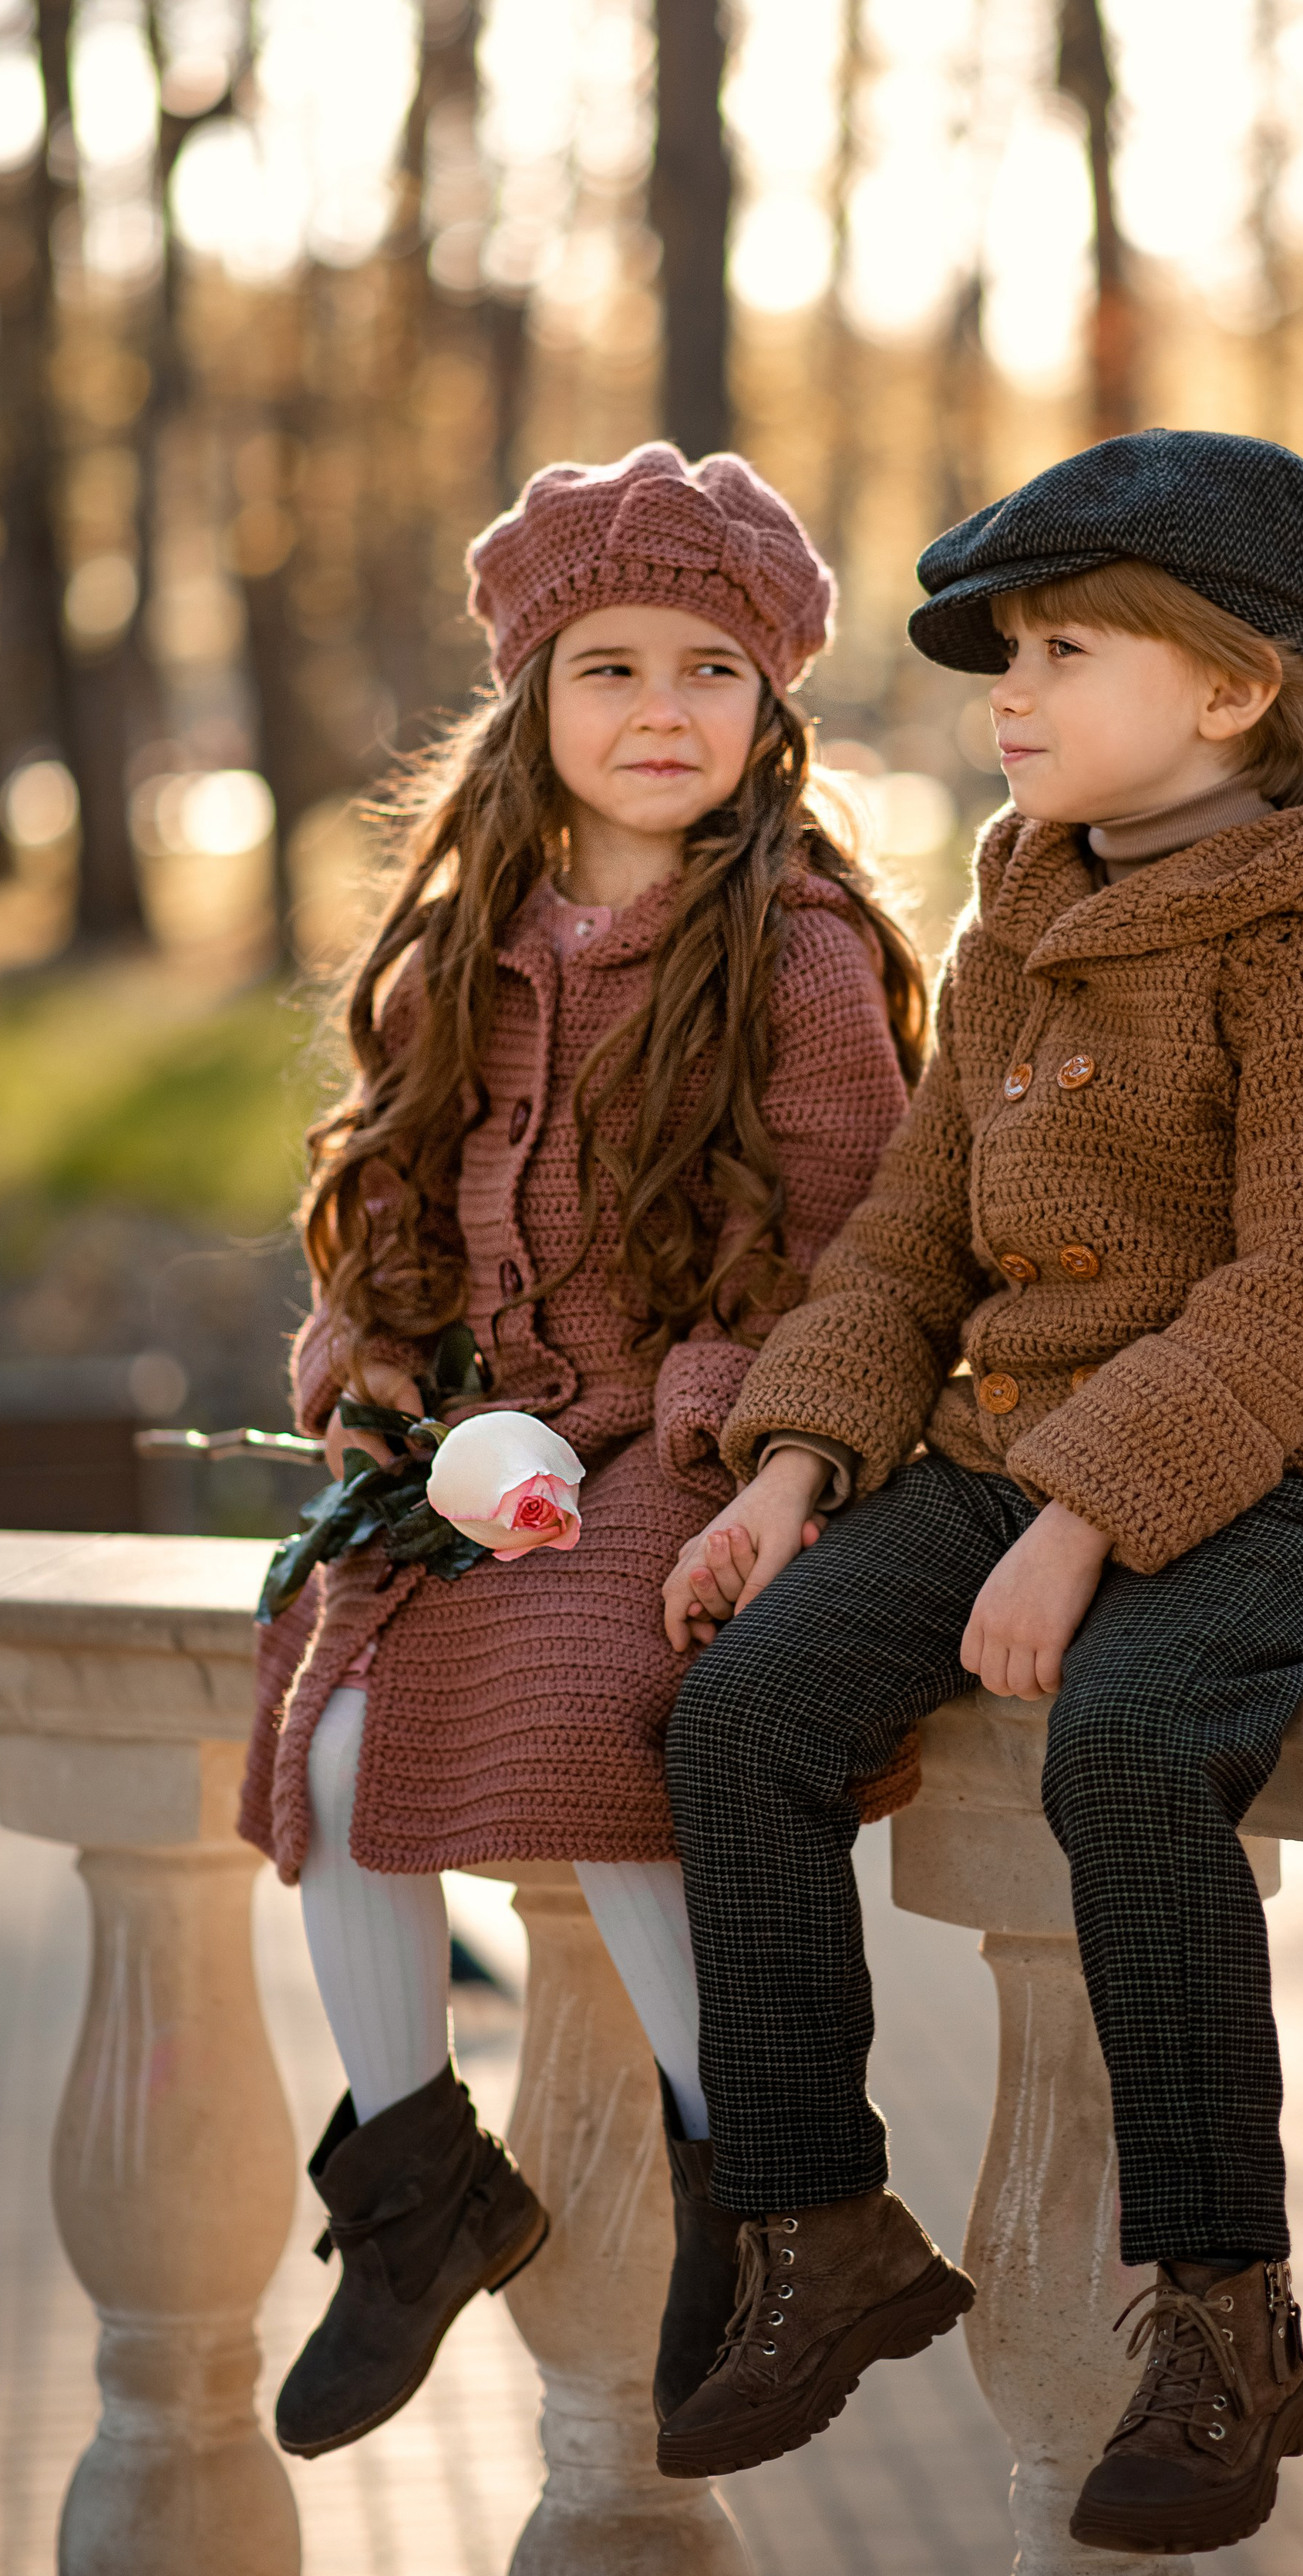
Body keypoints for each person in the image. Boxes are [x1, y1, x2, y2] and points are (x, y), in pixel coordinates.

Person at [655, 427, 1303, 2556]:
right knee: (741, 1709)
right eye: (1005, 650)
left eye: (1067, 645)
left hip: (1270, 1472)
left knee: (1123, 1736)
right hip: (1011, 1466)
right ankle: (819, 2218)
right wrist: (802, 1463)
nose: (1009, 690)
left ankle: (1226, 2310)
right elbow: (917, 1232)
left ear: (1232, 685)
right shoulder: (1026, 910)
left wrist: (1091, 1516)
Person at [236, 441, 924, 2460]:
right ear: (535, 699)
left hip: (695, 1434)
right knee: (328, 1725)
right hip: (478, 1443)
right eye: (608, 665)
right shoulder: (469, 953)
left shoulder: (795, 959)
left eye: (708, 666)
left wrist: (700, 1416)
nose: (658, 709)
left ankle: (759, 2192)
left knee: (612, 1711)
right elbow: (386, 1216)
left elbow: (855, 1257)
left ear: (771, 702)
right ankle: (414, 2170)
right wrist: (372, 1369)